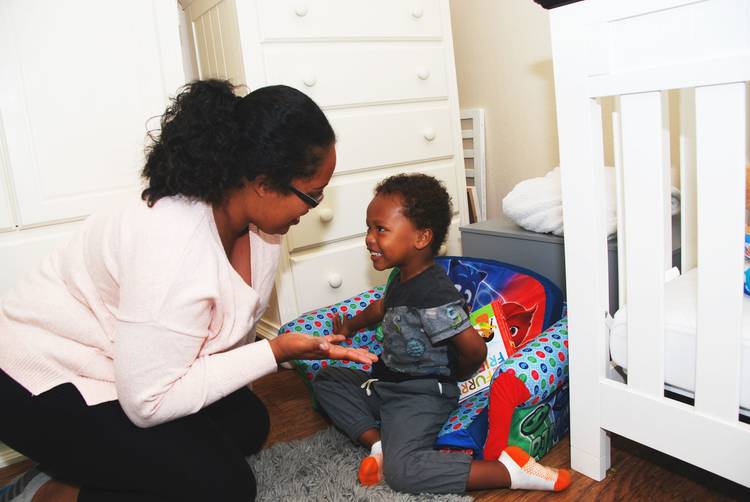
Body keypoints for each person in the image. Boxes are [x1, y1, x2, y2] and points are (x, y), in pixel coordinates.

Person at [0, 79, 377, 502]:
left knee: (247, 422)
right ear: (263, 182)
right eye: (310, 196)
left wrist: (275, 351)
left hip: (121, 364)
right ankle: (48, 493)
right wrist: (276, 352)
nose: (312, 210)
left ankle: (84, 464)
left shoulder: (260, 231)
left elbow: (212, 347)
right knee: (223, 487)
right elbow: (148, 403)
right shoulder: (173, 244)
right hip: (37, 376)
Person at [312, 173, 571, 495]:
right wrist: (350, 326)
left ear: (421, 238)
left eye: (380, 229)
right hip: (385, 383)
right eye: (369, 227)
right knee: (327, 379)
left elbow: (474, 349)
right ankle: (379, 446)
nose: (369, 238)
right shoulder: (401, 277)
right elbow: (381, 308)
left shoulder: (435, 296)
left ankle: (508, 471)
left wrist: (453, 376)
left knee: (403, 473)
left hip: (420, 394)